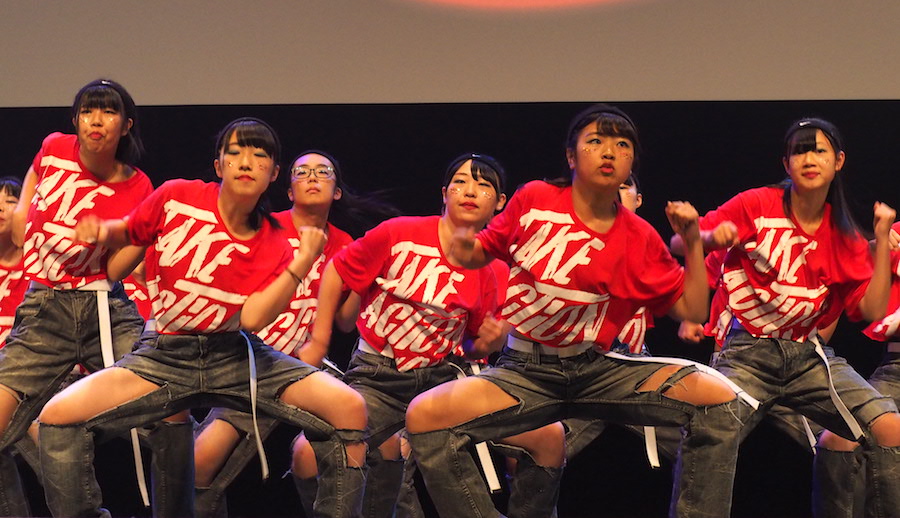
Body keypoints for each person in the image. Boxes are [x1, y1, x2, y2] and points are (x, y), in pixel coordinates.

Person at [405, 104, 750, 518]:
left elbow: (692, 308)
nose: (609, 152)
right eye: (596, 141)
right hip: (525, 371)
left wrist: (693, 240)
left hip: (595, 369)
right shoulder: (535, 199)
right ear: (571, 156)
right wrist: (463, 246)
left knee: (719, 399)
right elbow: (483, 250)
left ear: (631, 163)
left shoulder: (638, 236)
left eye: (622, 145)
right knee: (423, 416)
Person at [37, 117, 368, 518]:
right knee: (57, 418)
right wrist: (102, 232)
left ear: (273, 174)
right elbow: (129, 234)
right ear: (218, 165)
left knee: (349, 408)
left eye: (259, 155)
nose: (245, 162)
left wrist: (301, 263)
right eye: (235, 152)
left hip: (236, 355)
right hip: (165, 354)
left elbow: (252, 318)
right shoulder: (177, 196)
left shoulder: (275, 239)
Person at [296, 153, 565, 518]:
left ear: (500, 202)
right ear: (444, 193)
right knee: (306, 454)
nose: (470, 190)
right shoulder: (399, 233)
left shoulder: (495, 269)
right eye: (460, 182)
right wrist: (319, 340)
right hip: (378, 380)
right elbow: (337, 271)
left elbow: (472, 347)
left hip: (442, 383)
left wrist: (489, 342)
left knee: (549, 436)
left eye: (483, 184)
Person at [679, 117, 900, 516]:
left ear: (839, 161)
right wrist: (704, 236)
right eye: (800, 151)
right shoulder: (756, 204)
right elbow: (681, 241)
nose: (809, 158)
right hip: (747, 354)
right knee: (712, 426)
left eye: (819, 150)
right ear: (786, 163)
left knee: (888, 424)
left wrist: (882, 240)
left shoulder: (844, 234)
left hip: (808, 359)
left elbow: (869, 309)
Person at [0, 79, 153, 517]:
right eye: (87, 111)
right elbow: (33, 180)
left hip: (105, 307)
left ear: (127, 124)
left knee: (167, 415)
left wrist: (111, 245)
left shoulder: (138, 186)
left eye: (108, 111)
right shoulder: (54, 148)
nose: (95, 120)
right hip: (45, 309)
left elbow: (123, 263)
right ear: (75, 120)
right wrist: (23, 214)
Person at [191, 150, 361, 518]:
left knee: (331, 447)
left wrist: (366, 281)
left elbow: (346, 322)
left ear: (337, 191)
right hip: (252, 359)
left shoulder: (346, 244)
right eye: (302, 172)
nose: (312, 176)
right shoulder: (264, 228)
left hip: (305, 366)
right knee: (201, 462)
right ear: (288, 190)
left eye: (323, 171)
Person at [813, 220, 900, 517]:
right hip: (896, 369)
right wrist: (875, 247)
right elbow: (847, 275)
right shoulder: (895, 235)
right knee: (839, 438)